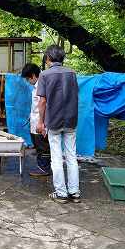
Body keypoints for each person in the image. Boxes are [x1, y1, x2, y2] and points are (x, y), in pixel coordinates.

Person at [36, 45, 81, 203]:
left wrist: (40, 122)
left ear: (48, 58)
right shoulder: (72, 73)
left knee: (56, 158)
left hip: (53, 121)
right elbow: (75, 96)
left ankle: (61, 193)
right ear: (62, 58)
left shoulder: (44, 75)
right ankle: (74, 192)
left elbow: (42, 101)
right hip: (71, 119)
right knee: (71, 156)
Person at [21, 63, 51, 177]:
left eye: (28, 78)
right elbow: (36, 105)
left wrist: (41, 123)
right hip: (35, 121)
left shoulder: (42, 86)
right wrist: (31, 116)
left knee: (43, 146)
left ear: (33, 75)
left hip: (40, 122)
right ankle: (41, 166)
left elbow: (44, 104)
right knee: (38, 145)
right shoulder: (36, 87)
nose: (28, 81)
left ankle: (44, 168)